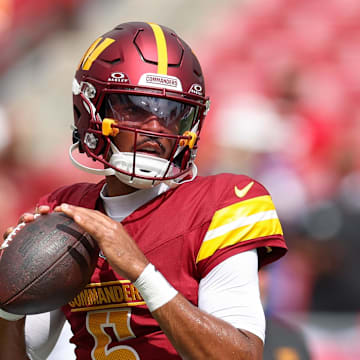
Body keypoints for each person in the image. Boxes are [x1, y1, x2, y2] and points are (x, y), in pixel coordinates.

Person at [0, 21, 287, 359]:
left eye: (173, 114)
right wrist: (9, 304)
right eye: (135, 109)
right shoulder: (66, 213)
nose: (155, 128)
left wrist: (140, 272)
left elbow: (240, 357)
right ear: (88, 110)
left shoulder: (222, 205)